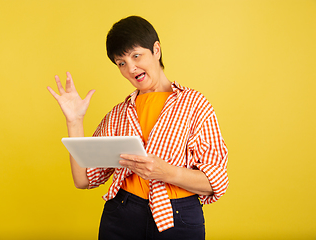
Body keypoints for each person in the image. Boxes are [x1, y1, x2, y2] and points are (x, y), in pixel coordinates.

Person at [47, 16, 228, 240]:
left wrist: (167, 172)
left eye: (136, 56)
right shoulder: (118, 114)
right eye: (121, 63)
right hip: (122, 214)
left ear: (156, 50)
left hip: (178, 217)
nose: (131, 68)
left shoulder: (195, 104)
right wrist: (74, 121)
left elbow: (216, 181)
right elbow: (83, 179)